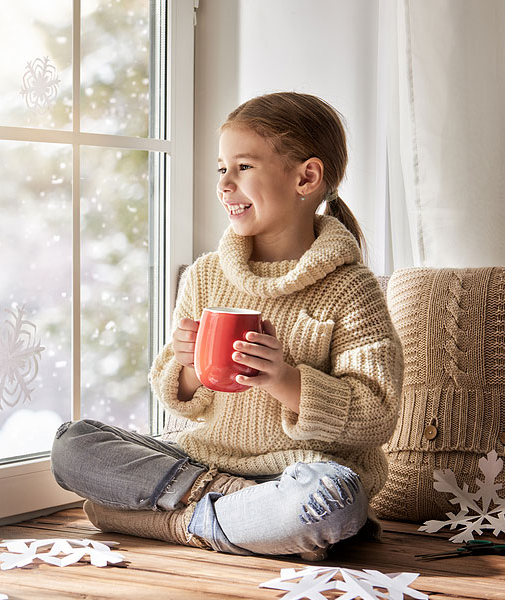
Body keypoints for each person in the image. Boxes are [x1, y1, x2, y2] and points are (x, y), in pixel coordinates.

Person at [50, 92, 403, 560]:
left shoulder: (351, 288)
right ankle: (229, 513)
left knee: (331, 502)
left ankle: (168, 520)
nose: (224, 184)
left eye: (243, 167)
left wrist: (286, 380)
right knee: (73, 445)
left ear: (306, 177)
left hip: (300, 473)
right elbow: (174, 395)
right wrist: (187, 366)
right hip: (202, 461)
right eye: (222, 169)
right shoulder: (206, 275)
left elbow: (377, 414)